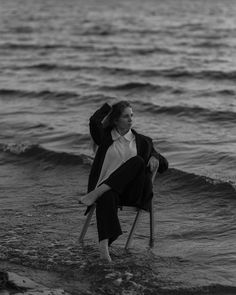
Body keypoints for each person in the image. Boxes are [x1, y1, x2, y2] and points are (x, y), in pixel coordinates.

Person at [79, 101, 168, 262]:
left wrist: (155, 156)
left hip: (132, 192)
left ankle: (96, 192)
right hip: (111, 193)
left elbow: (164, 164)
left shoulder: (142, 141)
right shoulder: (105, 138)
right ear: (115, 120)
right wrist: (109, 107)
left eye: (131, 116)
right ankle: (104, 249)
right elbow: (94, 121)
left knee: (138, 162)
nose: (130, 119)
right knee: (106, 195)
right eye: (126, 116)